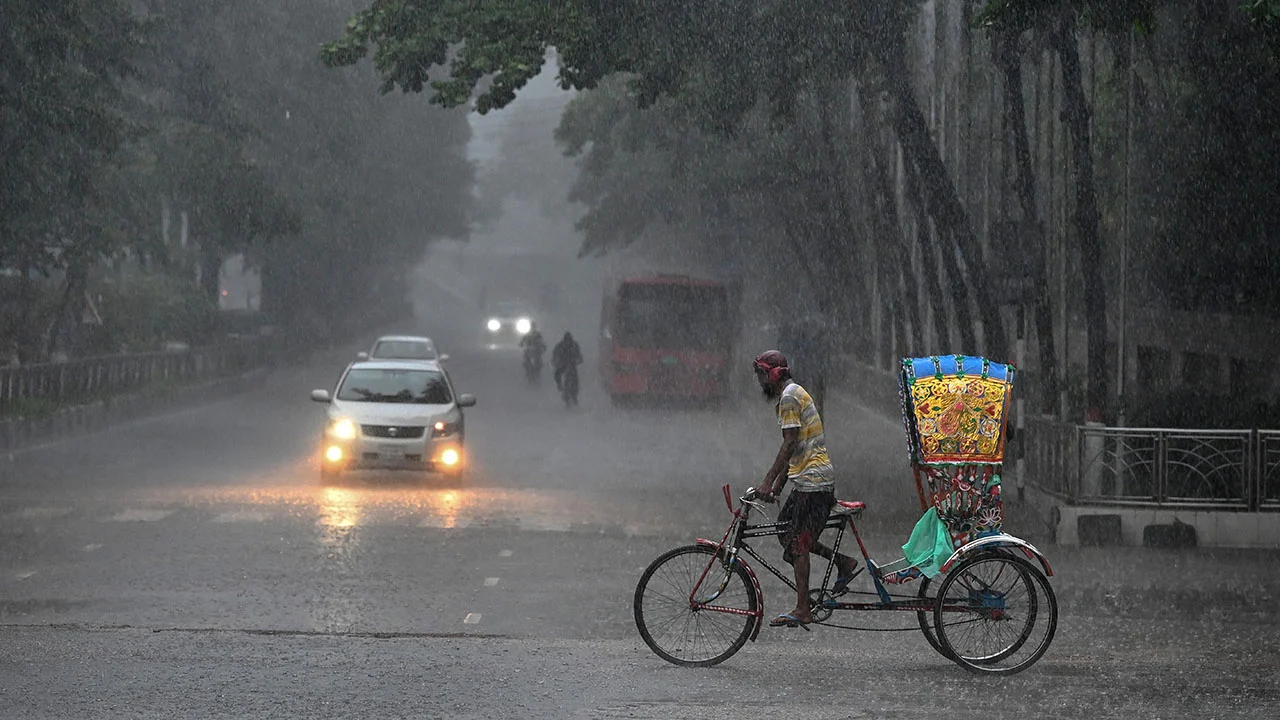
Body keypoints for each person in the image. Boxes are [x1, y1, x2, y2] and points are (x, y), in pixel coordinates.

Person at [751, 349, 858, 628]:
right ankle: (843, 562)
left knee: (797, 543)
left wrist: (767, 481)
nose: (761, 382)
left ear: (773, 374)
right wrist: (777, 487)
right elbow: (797, 447)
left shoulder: (788, 398)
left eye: (762, 375)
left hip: (815, 483)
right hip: (808, 479)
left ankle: (802, 609)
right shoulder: (793, 394)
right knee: (785, 531)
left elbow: (788, 444)